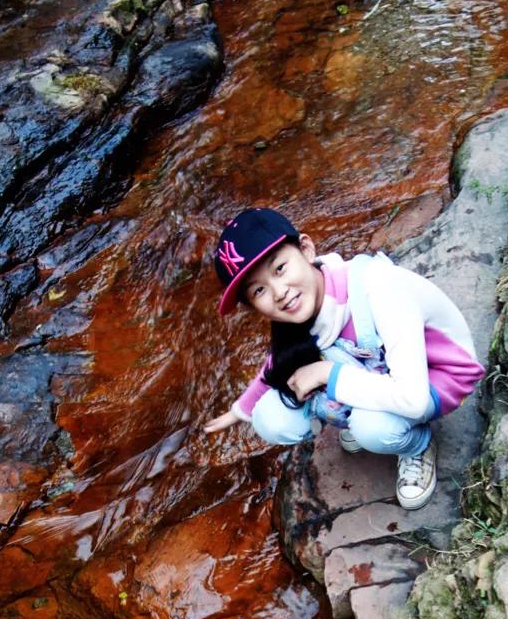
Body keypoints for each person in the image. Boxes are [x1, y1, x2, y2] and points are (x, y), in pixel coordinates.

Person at [202, 207, 485, 509]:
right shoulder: (300, 309)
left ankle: (417, 443)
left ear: (306, 249)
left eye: (280, 269)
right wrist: (240, 411)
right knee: (270, 416)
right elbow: (274, 367)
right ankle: (360, 416)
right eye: (259, 289)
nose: (279, 292)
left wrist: (327, 374)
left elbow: (413, 398)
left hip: (436, 376)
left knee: (372, 428)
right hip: (380, 372)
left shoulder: (378, 287)